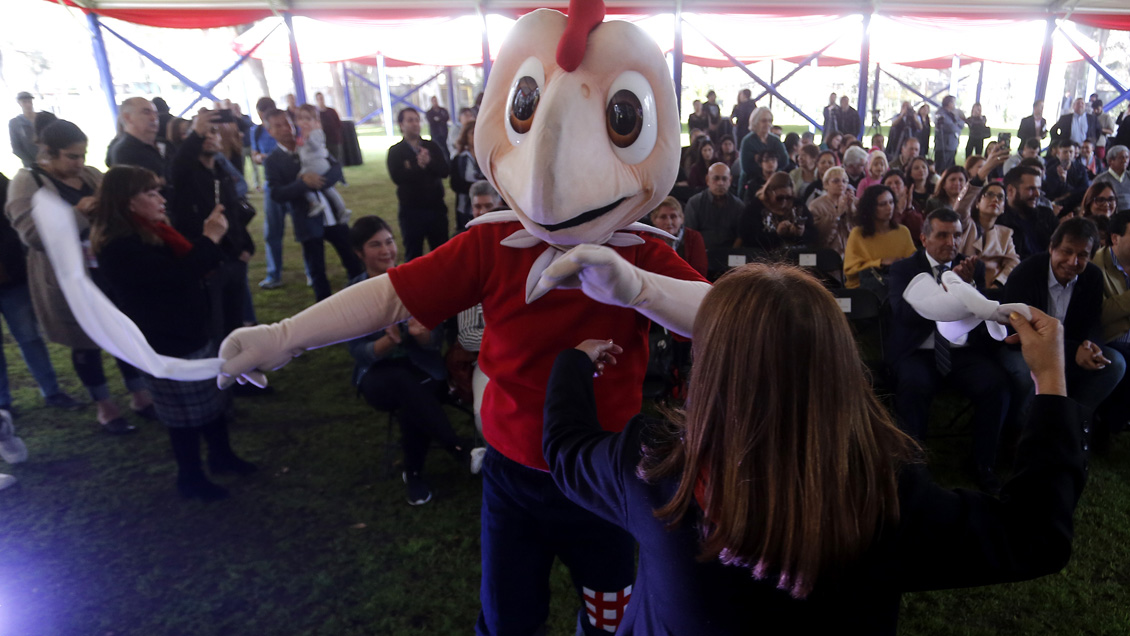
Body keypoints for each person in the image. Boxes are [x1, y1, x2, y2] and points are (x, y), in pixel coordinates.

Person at [542, 263, 1084, 635]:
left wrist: (572, 363)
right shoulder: (886, 503)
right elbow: (1036, 534)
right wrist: (1051, 380)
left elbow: (565, 449)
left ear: (710, 367)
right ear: (840, 366)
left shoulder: (656, 471)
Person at [91, 165, 255, 500]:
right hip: (166, 340)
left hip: (190, 328)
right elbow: (179, 275)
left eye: (158, 190)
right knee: (184, 415)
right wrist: (210, 238)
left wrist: (215, 238)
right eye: (150, 193)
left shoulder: (152, 230)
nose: (160, 198)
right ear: (128, 202)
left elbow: (192, 263)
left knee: (212, 397)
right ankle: (190, 478)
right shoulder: (119, 246)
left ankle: (222, 457)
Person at [5, 120, 152, 432]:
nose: (79, 163)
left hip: (107, 270)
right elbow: (31, 235)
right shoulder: (26, 182)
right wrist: (79, 214)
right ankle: (106, 408)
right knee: (85, 342)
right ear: (47, 153)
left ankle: (140, 395)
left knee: (122, 330)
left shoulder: (88, 175)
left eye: (83, 155)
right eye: (72, 157)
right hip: (66, 279)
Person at [345, 215, 480, 505]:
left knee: (411, 396)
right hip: (377, 375)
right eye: (375, 245)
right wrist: (386, 342)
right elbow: (357, 351)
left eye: (389, 241)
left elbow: (434, 343)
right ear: (359, 253)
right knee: (402, 383)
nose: (386, 250)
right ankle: (458, 448)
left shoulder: (415, 282)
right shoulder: (353, 295)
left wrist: (422, 336)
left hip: (421, 369)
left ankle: (415, 473)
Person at [888, 208, 1011, 493]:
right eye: (942, 235)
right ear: (923, 238)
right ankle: (913, 468)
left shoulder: (972, 268)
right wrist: (948, 290)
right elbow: (905, 315)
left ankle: (983, 463)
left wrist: (967, 286)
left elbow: (978, 319)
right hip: (917, 351)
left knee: (997, 385)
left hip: (961, 353)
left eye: (956, 235)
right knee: (913, 385)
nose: (951, 242)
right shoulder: (903, 269)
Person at [1002, 217, 1126, 448]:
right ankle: (1020, 436)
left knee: (1116, 364)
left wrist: (1091, 344)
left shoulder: (1092, 276)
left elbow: (1093, 320)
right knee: (1028, 373)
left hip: (1069, 347)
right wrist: (1073, 350)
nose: (1073, 261)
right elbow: (1018, 329)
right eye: (1067, 252)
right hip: (1022, 345)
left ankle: (1070, 425)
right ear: (1052, 248)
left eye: (1082, 255)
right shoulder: (1026, 273)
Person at [168, 109, 256, 346]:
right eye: (201, 133)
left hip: (234, 261)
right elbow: (180, 163)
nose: (209, 136)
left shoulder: (221, 173)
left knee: (236, 326)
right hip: (207, 266)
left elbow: (234, 214)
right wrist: (196, 132)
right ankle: (223, 379)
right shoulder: (183, 175)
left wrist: (246, 247)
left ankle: (242, 378)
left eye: (214, 132)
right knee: (216, 331)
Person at [263, 109, 363, 302]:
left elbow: (335, 167)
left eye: (288, 123)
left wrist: (320, 181)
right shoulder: (273, 161)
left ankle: (360, 299)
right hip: (307, 221)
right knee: (317, 270)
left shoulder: (309, 143)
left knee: (353, 259)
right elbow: (276, 193)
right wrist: (302, 184)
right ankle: (325, 310)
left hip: (334, 216)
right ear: (269, 131)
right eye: (278, 125)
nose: (286, 129)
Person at [0, 173, 77, 414]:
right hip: (12, 274)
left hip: (11, 277)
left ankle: (51, 390)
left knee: (30, 337)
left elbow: (14, 221)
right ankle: (3, 402)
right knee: (28, 337)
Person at [387, 108, 450, 261]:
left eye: (417, 119)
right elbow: (397, 177)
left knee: (442, 253)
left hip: (436, 209)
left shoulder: (432, 146)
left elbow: (445, 171)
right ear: (401, 125)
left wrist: (429, 162)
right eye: (410, 120)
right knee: (413, 254)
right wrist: (418, 166)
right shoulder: (396, 152)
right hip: (411, 212)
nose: (415, 124)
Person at [1094, 209, 1130, 450]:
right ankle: (1109, 424)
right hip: (1107, 340)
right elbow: (1099, 316)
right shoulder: (1096, 266)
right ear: (1115, 238)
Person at [843, 185, 917, 289]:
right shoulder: (857, 234)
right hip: (864, 290)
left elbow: (913, 263)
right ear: (871, 208)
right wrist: (880, 263)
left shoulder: (903, 231)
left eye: (891, 202)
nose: (889, 207)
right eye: (883, 204)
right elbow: (850, 271)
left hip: (898, 287)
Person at [250, 97, 287, 289]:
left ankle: (312, 273)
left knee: (307, 232)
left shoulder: (287, 125)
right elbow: (254, 155)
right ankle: (274, 274)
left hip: (292, 183)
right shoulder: (255, 131)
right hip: (272, 187)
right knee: (272, 232)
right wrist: (262, 158)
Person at [959, 182, 1020, 289]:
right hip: (964, 284)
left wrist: (999, 283)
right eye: (990, 194)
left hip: (993, 288)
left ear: (1003, 208)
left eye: (1000, 197)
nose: (995, 199)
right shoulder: (965, 225)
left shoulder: (1005, 233)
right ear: (977, 203)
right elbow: (961, 208)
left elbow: (1013, 263)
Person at [738, 172, 816, 253]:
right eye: (780, 198)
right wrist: (776, 234)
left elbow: (813, 234)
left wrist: (801, 233)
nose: (784, 201)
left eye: (788, 197)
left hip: (795, 255)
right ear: (769, 192)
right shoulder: (755, 207)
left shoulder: (798, 205)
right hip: (763, 256)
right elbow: (748, 238)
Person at [293, 104, 347, 220]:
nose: (305, 122)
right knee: (329, 189)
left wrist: (308, 138)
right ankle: (342, 209)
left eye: (308, 119)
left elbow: (317, 146)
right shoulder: (301, 135)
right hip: (312, 164)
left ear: (315, 121)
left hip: (317, 164)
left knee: (301, 180)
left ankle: (314, 203)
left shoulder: (316, 132)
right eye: (301, 119)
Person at [108, 97, 169, 192]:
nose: (154, 118)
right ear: (128, 117)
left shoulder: (164, 144)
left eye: (155, 114)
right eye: (146, 112)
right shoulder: (124, 151)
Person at [998, 166, 1059, 260]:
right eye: (1031, 189)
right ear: (1011, 190)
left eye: (1038, 189)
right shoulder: (1000, 221)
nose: (1037, 194)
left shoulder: (1046, 215)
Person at [684, 163, 743, 251]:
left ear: (730, 181)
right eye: (716, 178)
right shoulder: (694, 203)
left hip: (729, 253)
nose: (720, 183)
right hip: (701, 252)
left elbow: (740, 236)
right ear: (707, 180)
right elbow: (690, 234)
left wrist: (732, 253)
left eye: (724, 179)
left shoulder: (738, 205)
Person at [649, 196, 707, 278]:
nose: (669, 222)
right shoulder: (646, 239)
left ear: (682, 219)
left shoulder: (694, 237)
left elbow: (700, 271)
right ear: (654, 220)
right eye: (663, 217)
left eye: (673, 216)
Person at [738, 107, 789, 196]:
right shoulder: (747, 141)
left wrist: (761, 161)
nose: (768, 124)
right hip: (751, 184)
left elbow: (784, 161)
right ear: (756, 122)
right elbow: (747, 167)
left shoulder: (776, 140)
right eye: (764, 121)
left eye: (770, 121)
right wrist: (770, 165)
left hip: (774, 182)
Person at [808, 166, 855, 256]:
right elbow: (819, 237)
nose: (841, 184)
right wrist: (837, 215)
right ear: (826, 184)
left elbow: (861, 230)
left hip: (853, 253)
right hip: (828, 255)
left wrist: (852, 209)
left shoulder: (854, 202)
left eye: (844, 181)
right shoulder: (816, 206)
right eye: (836, 181)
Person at [451, 121, 486, 233]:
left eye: (478, 132)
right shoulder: (459, 158)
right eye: (472, 132)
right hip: (465, 207)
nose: (476, 135)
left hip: (489, 207)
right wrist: (479, 188)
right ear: (465, 136)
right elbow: (455, 184)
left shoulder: (489, 156)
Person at [883, 169, 924, 247]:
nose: (893, 186)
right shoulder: (880, 208)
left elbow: (920, 232)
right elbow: (890, 235)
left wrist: (909, 209)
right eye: (889, 184)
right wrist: (899, 211)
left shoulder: (914, 206)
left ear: (905, 188)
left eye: (897, 183)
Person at [1081, 182, 1119, 248]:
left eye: (1111, 199)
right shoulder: (1080, 229)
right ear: (1089, 202)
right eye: (1100, 200)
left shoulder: (1121, 229)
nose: (1106, 204)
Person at [1092, 145, 1128, 211]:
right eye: (1121, 158)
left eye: (1127, 157)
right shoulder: (1100, 180)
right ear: (1110, 161)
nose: (1125, 160)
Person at [934, 96, 964, 172]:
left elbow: (962, 123)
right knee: (942, 168)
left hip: (952, 146)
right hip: (944, 146)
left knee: (950, 168)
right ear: (949, 103)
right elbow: (950, 127)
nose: (954, 105)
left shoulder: (953, 114)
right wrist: (957, 127)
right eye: (953, 102)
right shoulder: (940, 114)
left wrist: (956, 125)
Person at [314, 92, 345, 164]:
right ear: (316, 100)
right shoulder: (315, 113)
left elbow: (338, 124)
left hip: (334, 140)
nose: (321, 100)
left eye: (322, 98)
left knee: (336, 160)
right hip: (322, 141)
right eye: (319, 99)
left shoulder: (331, 111)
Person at [9, 92, 38, 168]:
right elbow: (16, 148)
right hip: (32, 165)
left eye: (29, 101)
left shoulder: (43, 118)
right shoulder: (15, 123)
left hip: (51, 161)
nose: (28, 105)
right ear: (19, 103)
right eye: (24, 102)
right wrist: (32, 163)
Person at [425, 96, 451, 163]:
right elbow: (431, 120)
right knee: (436, 148)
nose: (435, 102)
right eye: (433, 101)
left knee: (445, 149)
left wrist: (438, 119)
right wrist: (439, 119)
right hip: (435, 134)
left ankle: (448, 162)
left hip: (444, 133)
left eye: (436, 100)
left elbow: (446, 117)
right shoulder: (429, 112)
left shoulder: (443, 110)